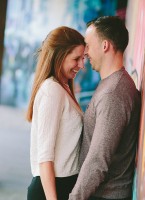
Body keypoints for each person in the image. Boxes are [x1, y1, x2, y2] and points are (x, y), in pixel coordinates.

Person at [69, 16, 141, 200]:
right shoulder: (112, 84)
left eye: (88, 45)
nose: (85, 53)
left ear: (105, 46)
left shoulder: (113, 93)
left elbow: (98, 160)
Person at [26, 26, 86, 200]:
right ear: (59, 56)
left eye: (83, 58)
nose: (82, 65)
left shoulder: (63, 87)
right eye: (76, 59)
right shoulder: (52, 90)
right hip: (51, 189)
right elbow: (45, 157)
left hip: (61, 185)